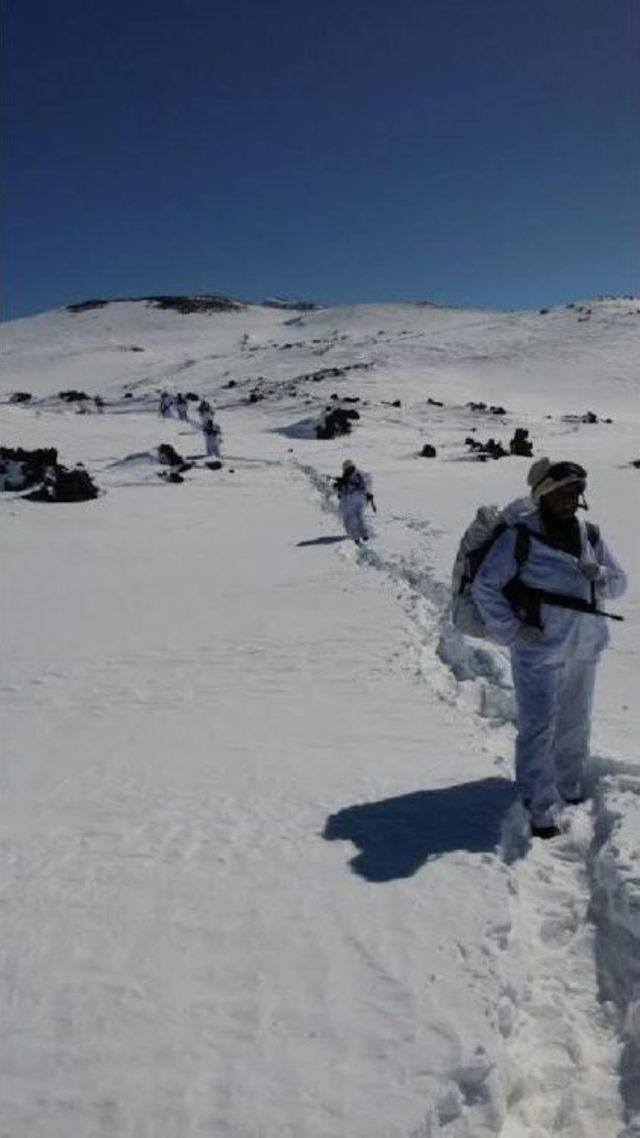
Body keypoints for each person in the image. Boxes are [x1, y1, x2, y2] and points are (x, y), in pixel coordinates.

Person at [471, 457, 626, 838]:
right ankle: (537, 805)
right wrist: (512, 631)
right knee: (539, 725)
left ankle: (569, 788)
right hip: (538, 648)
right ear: (542, 495)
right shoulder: (519, 537)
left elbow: (621, 585)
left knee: (576, 721)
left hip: (585, 645)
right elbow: (486, 587)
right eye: (562, 492)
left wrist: (601, 575)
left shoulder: (589, 534)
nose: (570, 499)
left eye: (576, 491)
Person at [333, 460, 375, 544]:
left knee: (352, 518)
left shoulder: (356, 475)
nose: (345, 470)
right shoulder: (358, 474)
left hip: (353, 499)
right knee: (359, 518)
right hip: (358, 499)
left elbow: (351, 485)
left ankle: (356, 538)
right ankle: (364, 535)